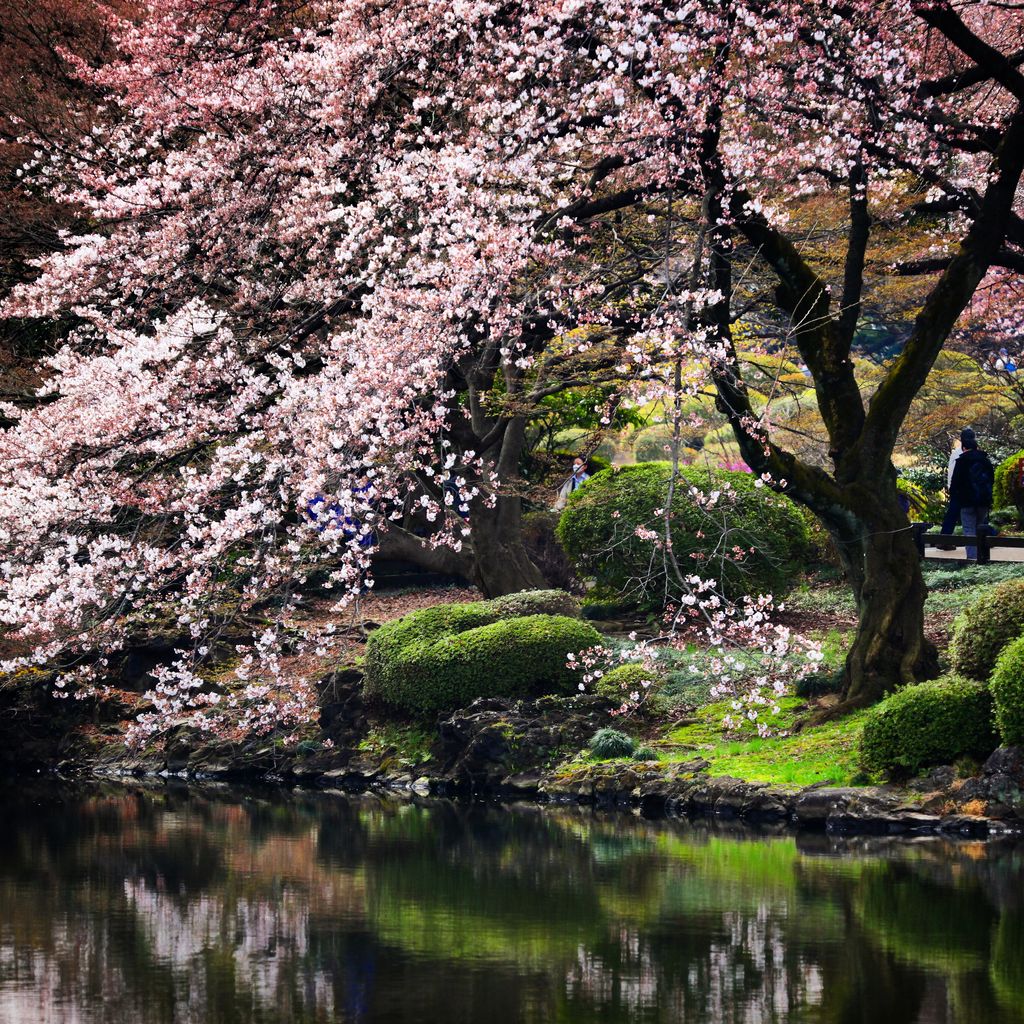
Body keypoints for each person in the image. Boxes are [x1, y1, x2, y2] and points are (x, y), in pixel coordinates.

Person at [948, 427, 994, 561]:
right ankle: (982, 556)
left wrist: (954, 496)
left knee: (969, 529)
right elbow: (991, 479)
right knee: (980, 528)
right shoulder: (985, 461)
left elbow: (955, 482)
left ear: (964, 447)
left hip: (966, 501)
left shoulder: (961, 461)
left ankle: (972, 558)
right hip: (983, 500)